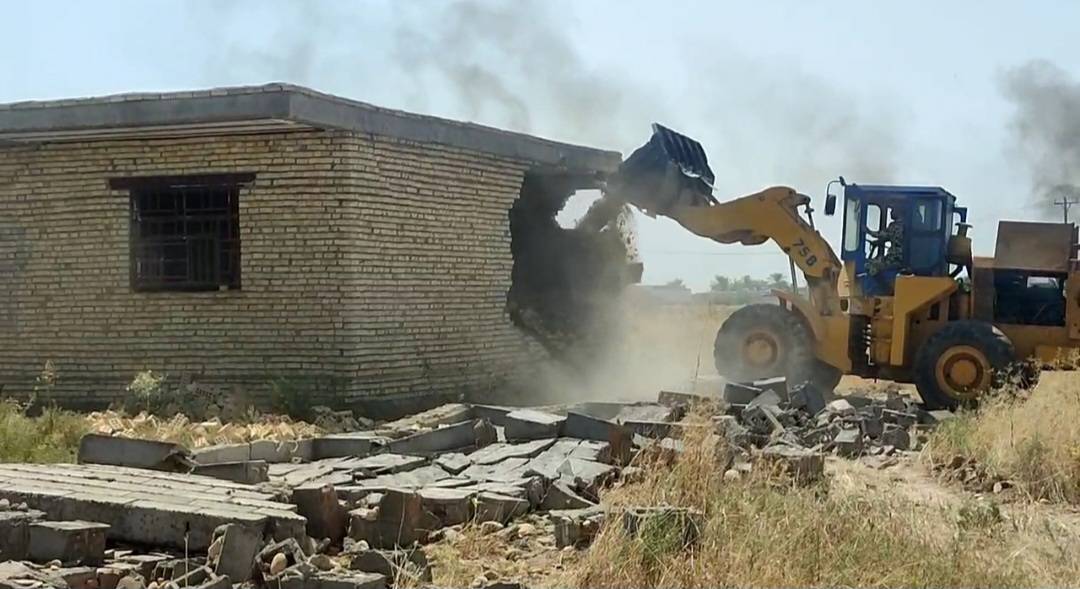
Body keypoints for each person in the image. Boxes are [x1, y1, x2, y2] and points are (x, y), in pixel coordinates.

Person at [866, 208, 904, 276]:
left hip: (894, 259)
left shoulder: (895, 226)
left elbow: (881, 234)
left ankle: (881, 285)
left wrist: (868, 231)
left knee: (869, 264)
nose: (891, 212)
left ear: (899, 211)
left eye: (893, 209)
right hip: (901, 258)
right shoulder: (906, 225)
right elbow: (890, 237)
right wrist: (877, 242)